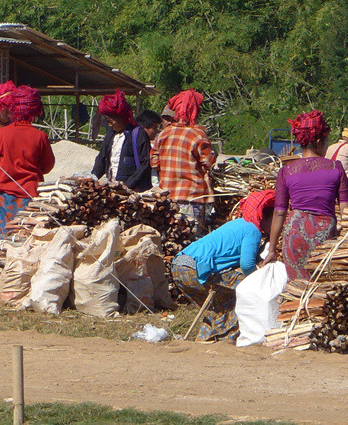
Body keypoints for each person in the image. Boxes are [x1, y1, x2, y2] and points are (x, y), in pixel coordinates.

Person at [171, 190, 275, 341]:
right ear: (266, 217)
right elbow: (247, 265)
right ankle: (225, 339)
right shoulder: (253, 230)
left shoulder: (238, 224)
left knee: (216, 305)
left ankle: (206, 339)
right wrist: (259, 284)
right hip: (197, 268)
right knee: (240, 293)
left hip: (179, 265)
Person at [263, 110, 348, 281]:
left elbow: (279, 213)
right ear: (318, 142)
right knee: (321, 288)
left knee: (296, 289)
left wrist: (272, 249)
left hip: (294, 235)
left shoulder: (286, 171)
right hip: (324, 236)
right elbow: (346, 212)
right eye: (326, 142)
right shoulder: (336, 167)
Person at [0, 85, 55, 238]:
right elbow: (48, 166)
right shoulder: (40, 136)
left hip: (5, 195)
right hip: (30, 193)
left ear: (13, 108)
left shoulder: (1, 134)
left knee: (7, 233)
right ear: (35, 110)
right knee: (27, 234)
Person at [151, 89, 216, 236]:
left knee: (171, 239)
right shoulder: (198, 135)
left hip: (168, 199)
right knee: (191, 241)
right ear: (195, 111)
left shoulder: (163, 134)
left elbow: (154, 162)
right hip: (193, 199)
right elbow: (208, 163)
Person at [92, 90, 152, 192]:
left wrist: (128, 185)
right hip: (112, 188)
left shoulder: (138, 134)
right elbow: (101, 160)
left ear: (122, 117)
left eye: (111, 122)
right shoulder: (110, 135)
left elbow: (146, 164)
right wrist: (92, 179)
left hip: (132, 190)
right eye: (108, 122)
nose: (110, 125)